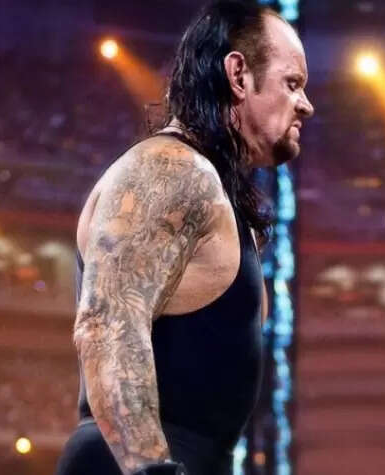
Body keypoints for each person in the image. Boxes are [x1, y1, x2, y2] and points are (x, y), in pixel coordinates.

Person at [55, 2, 314, 474]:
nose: (306, 104)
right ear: (238, 75)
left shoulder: (210, 188)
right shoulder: (169, 169)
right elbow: (107, 327)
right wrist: (150, 470)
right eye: (292, 83)